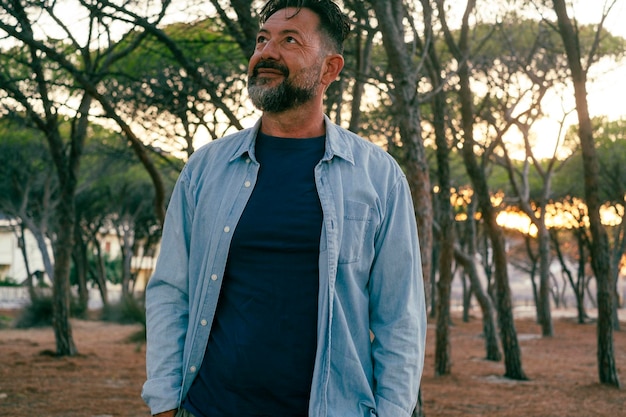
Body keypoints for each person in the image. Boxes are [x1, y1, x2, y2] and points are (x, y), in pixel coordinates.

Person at [141, 0, 427, 416]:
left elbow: (399, 317)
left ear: (329, 69)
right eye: (262, 40)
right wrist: (165, 403)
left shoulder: (378, 176)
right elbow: (171, 291)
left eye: (289, 40)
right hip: (208, 408)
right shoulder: (205, 168)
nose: (266, 53)